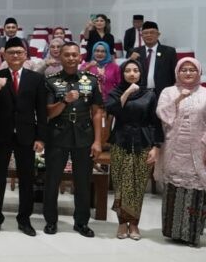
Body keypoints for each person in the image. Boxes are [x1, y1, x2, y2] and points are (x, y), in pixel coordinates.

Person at [0, 37, 47, 235]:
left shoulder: (35, 78)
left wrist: (40, 137)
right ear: (5, 55)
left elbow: (41, 110)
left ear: (25, 55)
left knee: (27, 178)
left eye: (19, 52)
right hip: (1, 134)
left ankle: (24, 219)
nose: (16, 56)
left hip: (27, 134)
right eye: (11, 53)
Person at [43, 42, 104, 237]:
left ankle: (81, 222)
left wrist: (98, 141)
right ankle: (51, 221)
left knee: (83, 182)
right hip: (58, 135)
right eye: (66, 55)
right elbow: (48, 113)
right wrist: (65, 100)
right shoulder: (50, 81)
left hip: (84, 136)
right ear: (60, 57)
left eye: (74, 55)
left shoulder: (92, 80)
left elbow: (97, 113)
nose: (70, 58)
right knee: (52, 181)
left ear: (80, 58)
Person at [105, 59, 163, 240]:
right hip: (121, 140)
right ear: (122, 74)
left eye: (135, 70)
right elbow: (113, 111)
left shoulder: (150, 94)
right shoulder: (116, 92)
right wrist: (127, 93)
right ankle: (122, 223)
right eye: (127, 71)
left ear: (141, 73)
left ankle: (135, 224)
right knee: (121, 184)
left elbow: (155, 122)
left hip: (143, 141)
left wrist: (156, 146)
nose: (131, 74)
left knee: (138, 185)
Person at [157, 58, 206, 246]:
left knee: (195, 191)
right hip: (174, 148)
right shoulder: (168, 92)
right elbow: (163, 115)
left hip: (198, 148)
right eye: (184, 70)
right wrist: (179, 98)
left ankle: (191, 233)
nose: (187, 73)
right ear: (177, 72)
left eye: (192, 70)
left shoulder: (204, 93)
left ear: (199, 72)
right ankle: (173, 231)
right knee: (174, 189)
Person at [128, 21, 176, 94]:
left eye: (152, 32)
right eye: (145, 33)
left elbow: (175, 73)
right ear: (141, 35)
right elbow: (126, 73)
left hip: (163, 93)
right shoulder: (134, 52)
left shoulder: (169, 52)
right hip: (140, 93)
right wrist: (130, 60)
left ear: (158, 34)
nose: (149, 35)